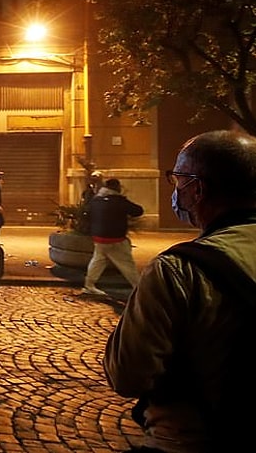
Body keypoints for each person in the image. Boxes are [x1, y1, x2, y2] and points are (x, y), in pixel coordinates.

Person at [104, 130, 256, 451]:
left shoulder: (177, 271)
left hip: (191, 439)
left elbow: (127, 376)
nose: (174, 191)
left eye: (178, 180)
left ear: (197, 189)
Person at [81, 177, 143, 296]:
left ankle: (89, 285)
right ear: (117, 188)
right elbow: (138, 211)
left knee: (98, 261)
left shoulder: (96, 200)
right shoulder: (119, 201)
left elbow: (87, 214)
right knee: (127, 264)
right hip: (115, 239)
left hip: (99, 238)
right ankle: (139, 288)